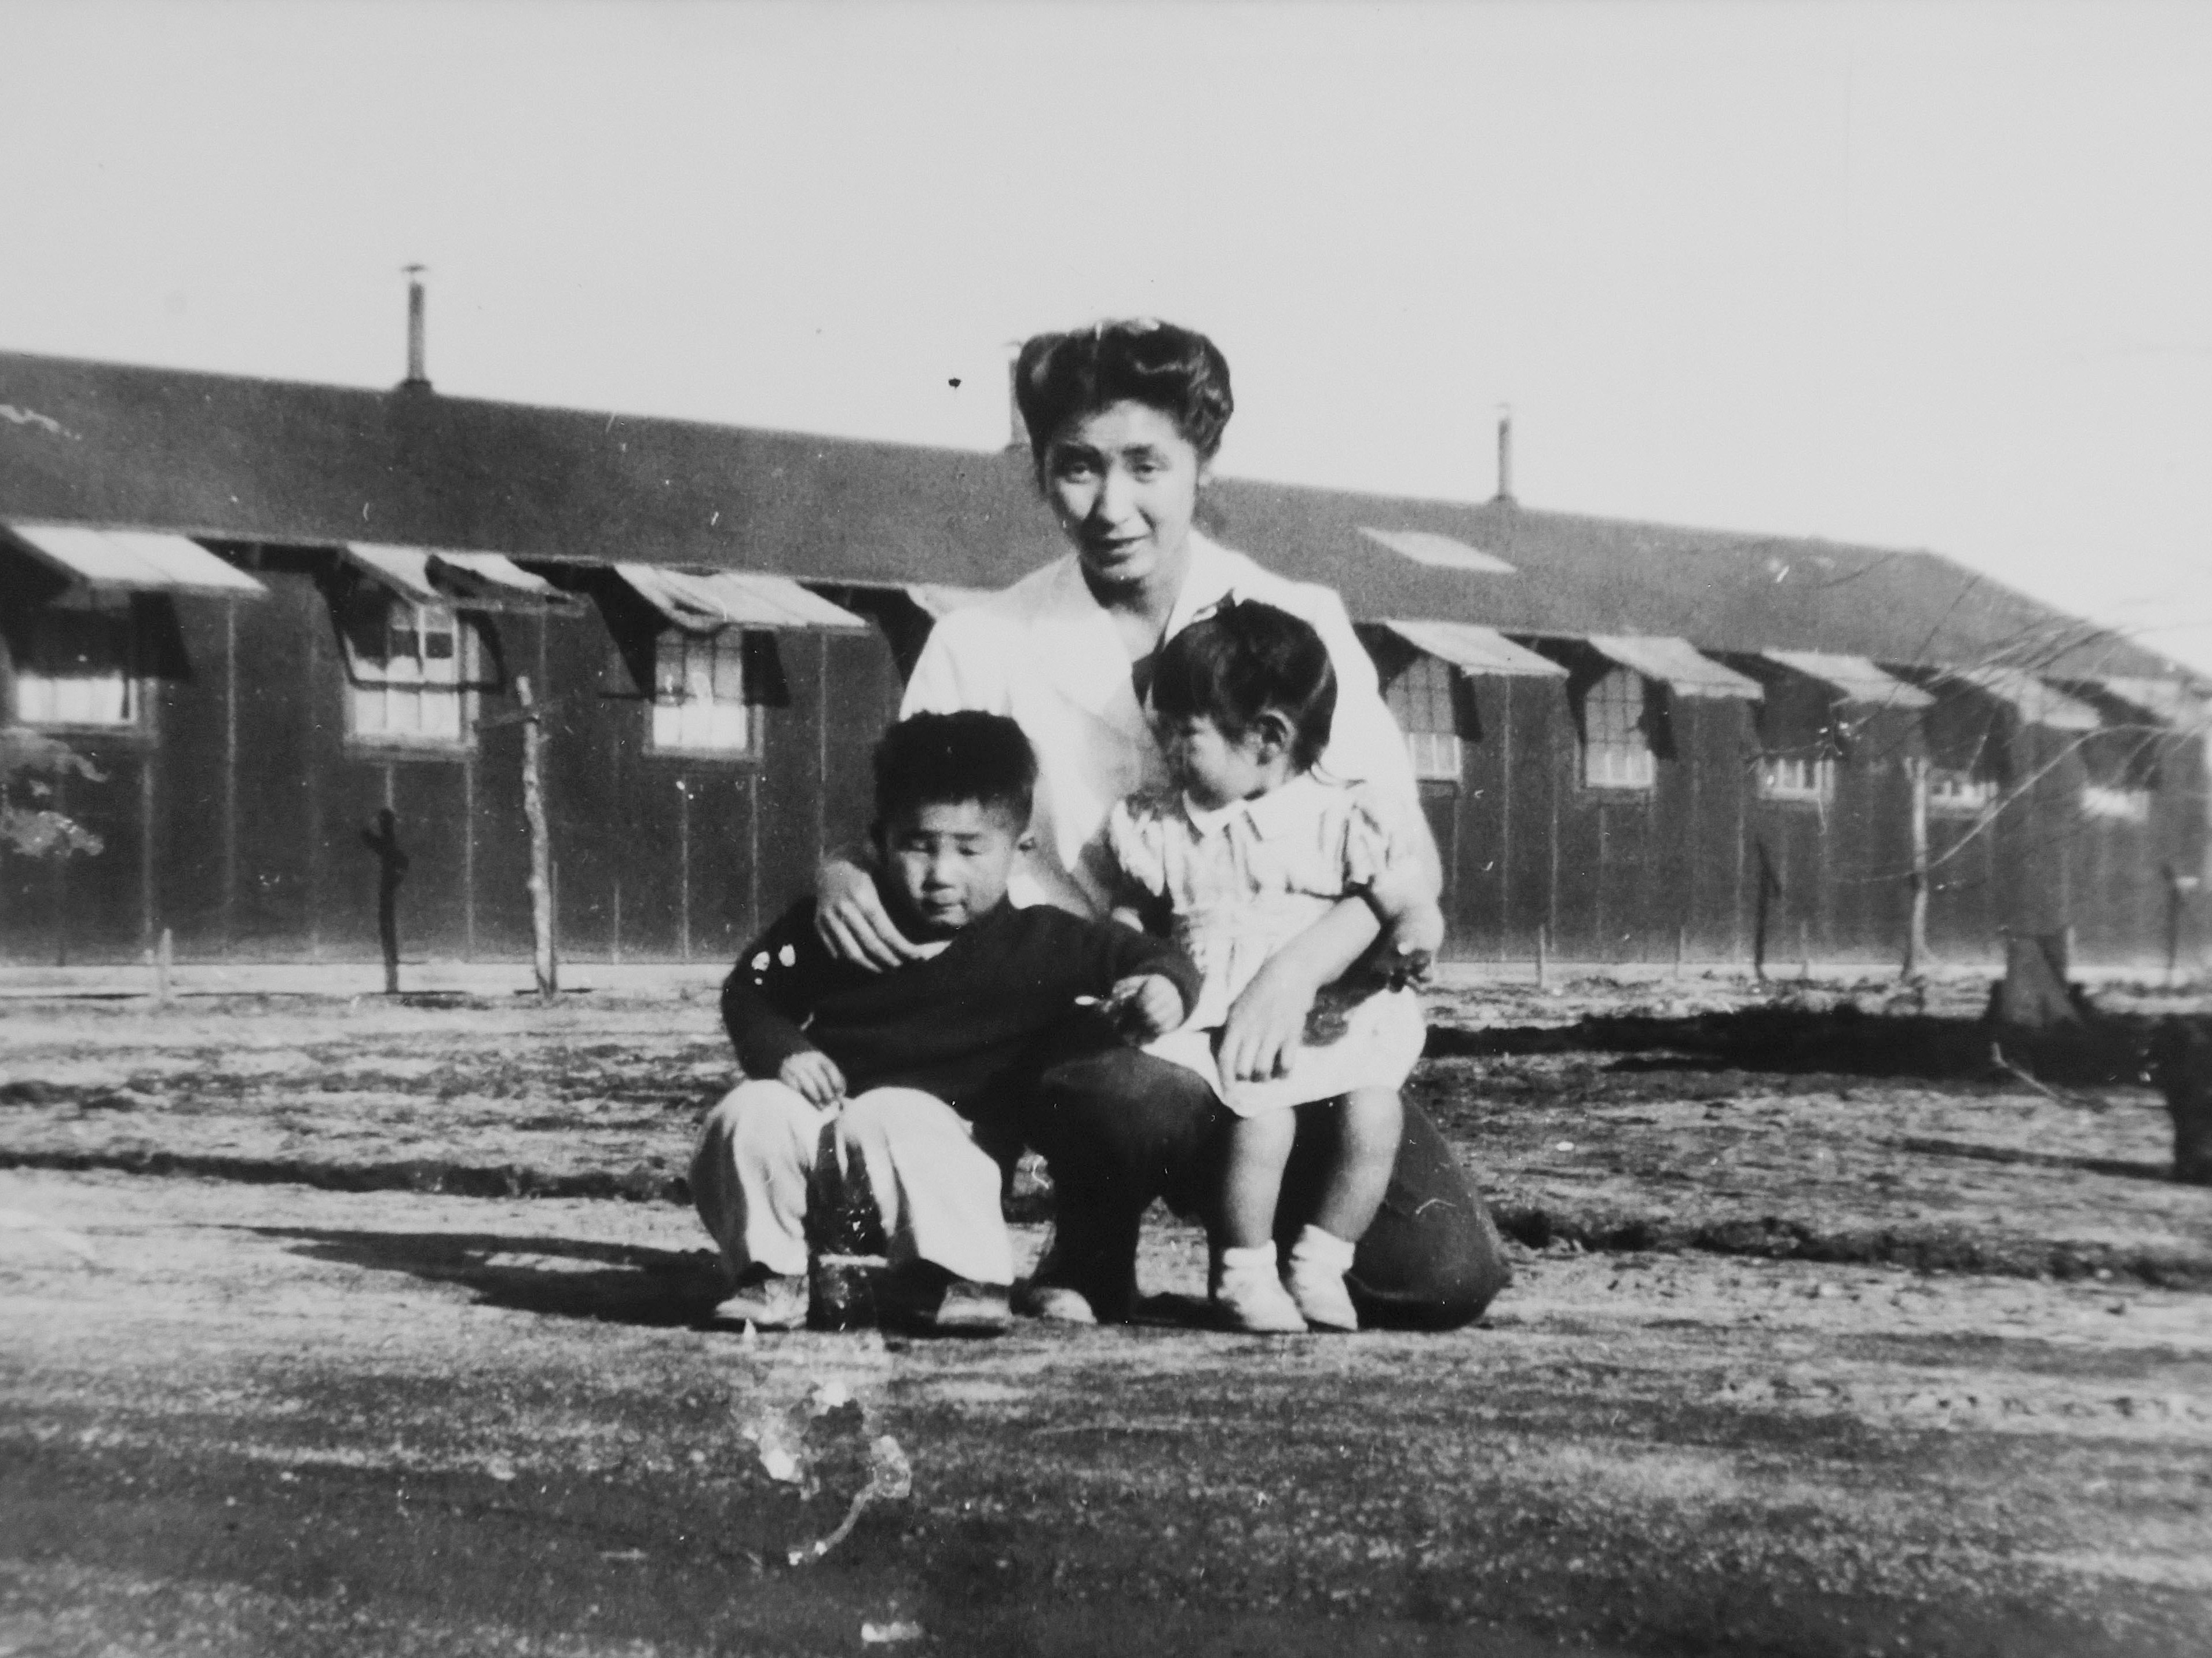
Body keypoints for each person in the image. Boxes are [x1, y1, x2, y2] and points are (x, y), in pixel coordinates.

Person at [813, 317, 1511, 1329]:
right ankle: (1093, 1241)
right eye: (1076, 468)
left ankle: (1261, 1237)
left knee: (1438, 1276)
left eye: (1146, 465)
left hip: (1294, 1018)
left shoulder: (1291, 616)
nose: (1111, 505)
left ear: (1201, 465)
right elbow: (899, 820)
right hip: (1105, 1030)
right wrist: (841, 869)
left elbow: (1398, 855)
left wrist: (1294, 970)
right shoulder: (985, 641)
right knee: (1121, 1092)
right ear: (1040, 472)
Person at [690, 711, 1201, 1333]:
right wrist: (783, 1052)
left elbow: (1152, 955)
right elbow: (753, 988)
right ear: (878, 841)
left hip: (946, 1165)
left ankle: (960, 1278)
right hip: (826, 1152)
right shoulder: (839, 927)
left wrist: (1164, 988)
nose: (941, 874)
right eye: (918, 845)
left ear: (1020, 851)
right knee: (750, 1110)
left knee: (899, 1111)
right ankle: (771, 1274)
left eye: (969, 849)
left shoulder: (1041, 942)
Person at [1091, 599, 1445, 1333]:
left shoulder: (1346, 817)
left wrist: (1417, 940)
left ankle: (1321, 1263)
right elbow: (1135, 914)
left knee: (1374, 1113)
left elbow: (1406, 898)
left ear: (1268, 737)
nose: (1167, 750)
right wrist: (1129, 966)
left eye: (1183, 734)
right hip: (1223, 1021)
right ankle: (1242, 1270)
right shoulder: (1163, 827)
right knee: (1264, 1121)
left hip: (1328, 1020)